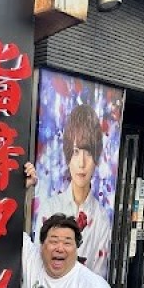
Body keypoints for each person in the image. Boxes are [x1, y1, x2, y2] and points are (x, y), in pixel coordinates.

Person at [32, 104, 111, 278]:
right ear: (68, 156)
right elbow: (37, 263)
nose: (82, 163)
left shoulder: (101, 218)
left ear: (96, 159)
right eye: (75, 152)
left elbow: (98, 276)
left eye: (88, 153)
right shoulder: (50, 207)